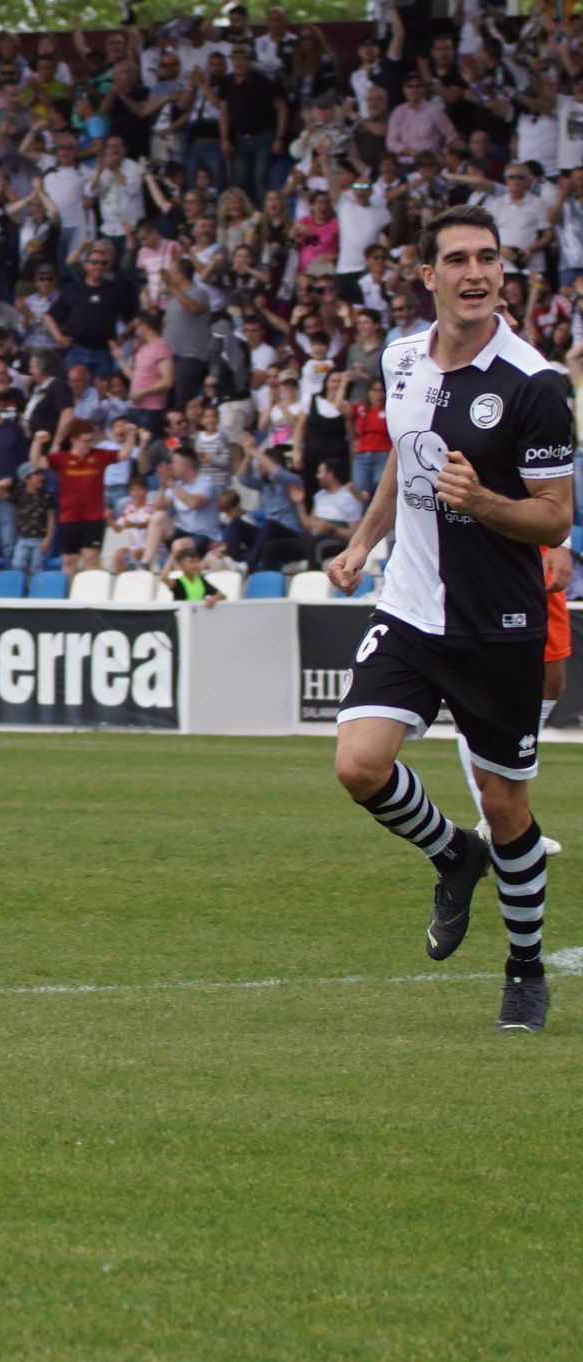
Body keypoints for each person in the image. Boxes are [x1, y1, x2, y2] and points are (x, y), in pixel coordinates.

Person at [326, 206, 575, 1034]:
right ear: (426, 276)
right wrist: (365, 540)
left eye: (489, 259)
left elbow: (554, 519)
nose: (476, 273)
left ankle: (525, 971)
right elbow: (406, 453)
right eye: (458, 260)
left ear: (504, 272)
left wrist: (484, 502)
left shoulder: (534, 383)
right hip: (409, 606)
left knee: (507, 808)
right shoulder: (400, 360)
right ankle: (450, 853)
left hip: (497, 623)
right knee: (359, 767)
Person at [456, 543, 571, 859]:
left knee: (552, 684)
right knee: (481, 697)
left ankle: (503, 813)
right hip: (496, 559)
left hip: (542, 555)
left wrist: (563, 544)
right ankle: (495, 818)